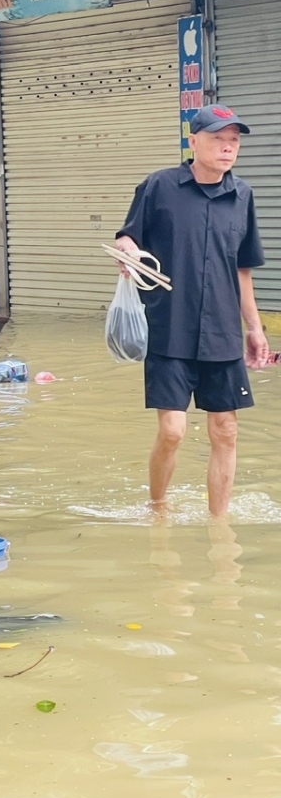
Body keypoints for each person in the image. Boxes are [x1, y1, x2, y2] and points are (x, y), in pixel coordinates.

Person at [114, 104, 269, 518]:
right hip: (169, 328)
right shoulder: (159, 186)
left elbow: (242, 270)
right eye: (218, 138)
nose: (227, 147)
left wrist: (254, 330)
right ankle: (158, 507)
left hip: (222, 332)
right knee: (173, 430)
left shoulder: (243, 196)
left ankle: (219, 524)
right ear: (194, 140)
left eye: (234, 140)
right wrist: (127, 251)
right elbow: (128, 238)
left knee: (226, 431)